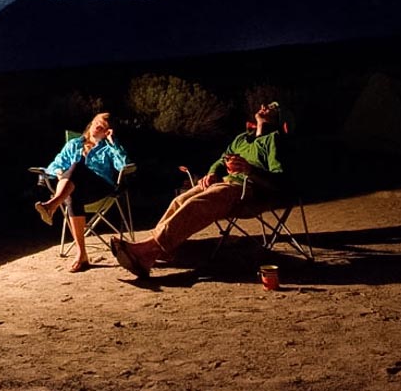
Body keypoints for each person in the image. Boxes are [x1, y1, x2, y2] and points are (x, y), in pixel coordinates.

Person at [109, 101, 286, 278]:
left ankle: (146, 249)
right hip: (225, 183)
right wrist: (212, 173)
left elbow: (279, 180)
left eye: (272, 107)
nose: (264, 106)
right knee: (179, 200)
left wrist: (249, 170)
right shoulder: (242, 139)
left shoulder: (274, 140)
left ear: (279, 118)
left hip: (249, 190)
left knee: (199, 203)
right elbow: (220, 161)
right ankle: (155, 253)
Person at [35, 111, 129, 272]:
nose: (98, 126)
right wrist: (58, 172)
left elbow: (123, 166)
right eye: (96, 122)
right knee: (71, 191)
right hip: (73, 190)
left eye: (104, 126)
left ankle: (52, 205)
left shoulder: (109, 147)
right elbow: (54, 165)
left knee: (77, 166)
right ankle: (82, 254)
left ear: (108, 131)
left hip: (100, 188)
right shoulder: (73, 144)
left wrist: (113, 143)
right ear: (91, 124)